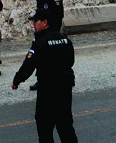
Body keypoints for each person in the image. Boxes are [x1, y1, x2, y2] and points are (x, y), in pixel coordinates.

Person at [11, 8, 78, 143]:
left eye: (36, 21)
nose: (33, 24)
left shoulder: (40, 43)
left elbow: (28, 65)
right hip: (65, 88)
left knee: (44, 126)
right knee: (65, 126)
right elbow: (71, 61)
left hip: (48, 89)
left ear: (45, 22)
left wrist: (16, 80)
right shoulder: (65, 39)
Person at [30, 0, 64, 91]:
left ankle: (56, 78)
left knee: (54, 55)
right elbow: (39, 12)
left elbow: (59, 15)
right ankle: (41, 79)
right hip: (41, 30)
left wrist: (53, 30)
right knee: (40, 55)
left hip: (51, 29)